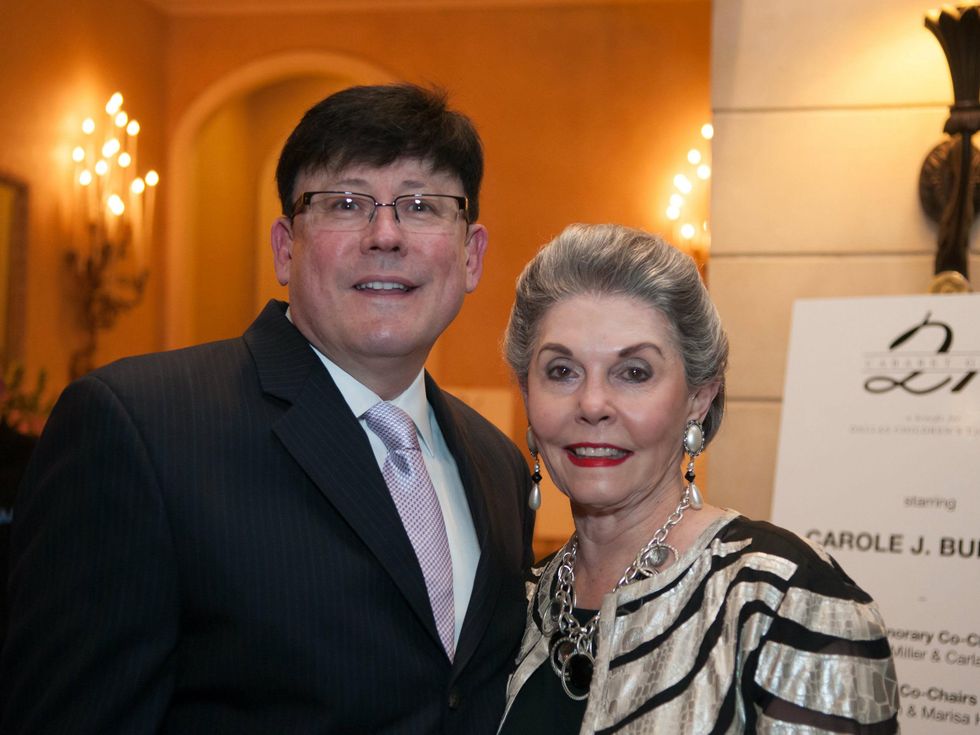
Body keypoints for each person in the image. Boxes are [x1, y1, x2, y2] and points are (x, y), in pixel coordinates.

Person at [1, 83, 535, 734]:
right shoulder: (138, 427)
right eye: (345, 202)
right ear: (285, 247)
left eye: (423, 205)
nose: (386, 234)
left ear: (471, 254)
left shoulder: (499, 466)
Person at [498, 224, 899, 733]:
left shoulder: (789, 604)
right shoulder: (520, 602)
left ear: (698, 398)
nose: (593, 404)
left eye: (635, 372)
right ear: (527, 395)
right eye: (561, 371)